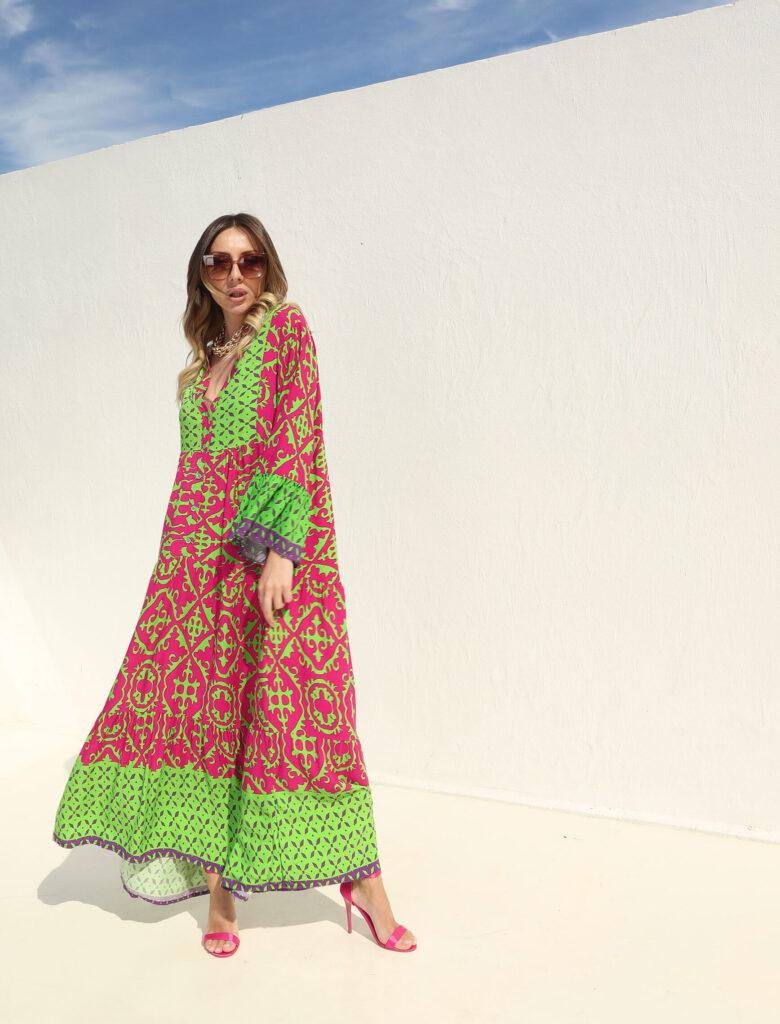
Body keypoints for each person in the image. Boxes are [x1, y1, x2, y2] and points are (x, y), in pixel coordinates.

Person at [52, 212, 417, 957]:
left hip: (272, 556)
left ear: (267, 267)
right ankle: (220, 886)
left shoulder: (287, 331)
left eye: (249, 260)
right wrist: (175, 569)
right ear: (202, 275)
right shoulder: (197, 371)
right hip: (195, 565)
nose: (235, 274)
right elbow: (194, 477)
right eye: (218, 262)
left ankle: (365, 882)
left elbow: (296, 438)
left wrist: (281, 551)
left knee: (305, 712)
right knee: (210, 718)